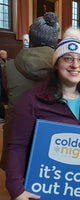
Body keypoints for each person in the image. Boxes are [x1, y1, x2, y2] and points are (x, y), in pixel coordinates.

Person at [5, 27, 80, 200]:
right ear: (56, 63)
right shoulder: (32, 99)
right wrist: (17, 189)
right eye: (68, 58)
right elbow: (17, 146)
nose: (75, 65)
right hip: (46, 185)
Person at [0, 12, 60, 170]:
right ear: (55, 40)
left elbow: (5, 98)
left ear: (31, 39)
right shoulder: (62, 67)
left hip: (15, 133)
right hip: (49, 135)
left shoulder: (9, 66)